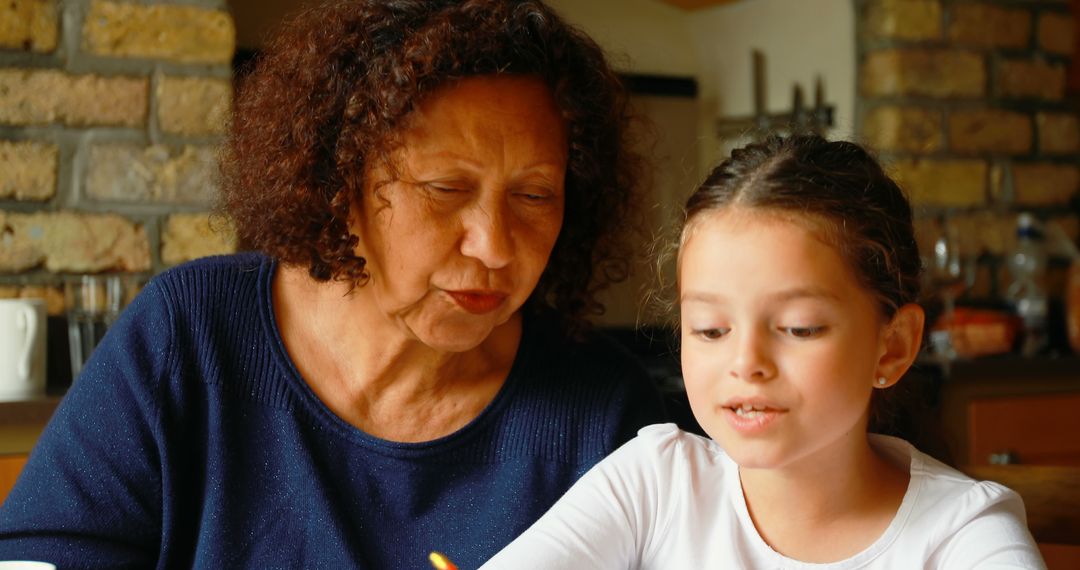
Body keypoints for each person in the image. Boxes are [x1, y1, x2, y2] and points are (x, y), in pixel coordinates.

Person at [0, 1, 665, 567]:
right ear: (337, 180)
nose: (493, 244)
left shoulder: (607, 417)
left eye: (533, 195)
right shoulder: (189, 332)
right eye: (445, 189)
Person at [481, 134, 1045, 569]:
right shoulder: (654, 482)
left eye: (799, 329)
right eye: (709, 329)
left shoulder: (964, 535)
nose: (746, 361)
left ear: (892, 347)